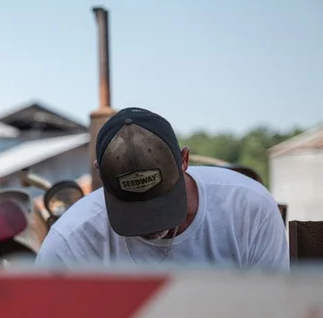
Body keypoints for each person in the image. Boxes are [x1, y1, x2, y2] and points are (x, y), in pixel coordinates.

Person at [36, 106, 289, 269]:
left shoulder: (248, 210)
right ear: (100, 174)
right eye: (134, 208)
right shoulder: (71, 242)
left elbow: (276, 316)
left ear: (184, 161)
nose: (152, 224)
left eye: (160, 201)